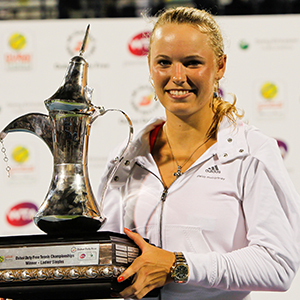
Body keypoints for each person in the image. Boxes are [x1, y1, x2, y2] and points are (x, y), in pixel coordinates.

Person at [97, 6, 300, 300]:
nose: (177, 77)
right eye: (164, 62)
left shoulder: (251, 153)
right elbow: (104, 255)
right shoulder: (125, 158)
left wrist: (180, 265)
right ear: (150, 66)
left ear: (220, 66)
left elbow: (278, 264)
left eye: (192, 63)